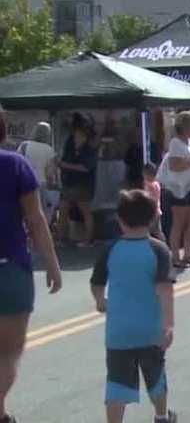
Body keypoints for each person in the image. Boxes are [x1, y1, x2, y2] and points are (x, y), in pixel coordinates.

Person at [90, 190, 177, 423]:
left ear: (119, 219)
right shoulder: (159, 250)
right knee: (156, 377)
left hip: (118, 332)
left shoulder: (111, 248)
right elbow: (165, 289)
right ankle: (161, 416)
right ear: (152, 219)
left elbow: (97, 282)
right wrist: (168, 325)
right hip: (150, 330)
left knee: (117, 382)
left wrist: (100, 301)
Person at [0, 105, 63, 423]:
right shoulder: (14, 165)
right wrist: (52, 262)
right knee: (8, 352)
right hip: (9, 268)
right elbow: (36, 220)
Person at [158, 111, 190, 268]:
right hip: (179, 187)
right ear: (185, 126)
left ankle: (188, 254)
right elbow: (174, 166)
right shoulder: (175, 143)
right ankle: (175, 256)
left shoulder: (189, 142)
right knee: (179, 223)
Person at [57, 124, 97, 247]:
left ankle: (88, 240)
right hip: (68, 183)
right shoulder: (70, 149)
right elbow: (63, 161)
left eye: (79, 136)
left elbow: (86, 168)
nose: (76, 138)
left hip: (82, 185)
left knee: (85, 212)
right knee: (62, 211)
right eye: (75, 136)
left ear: (85, 137)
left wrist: (65, 165)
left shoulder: (88, 151)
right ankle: (62, 238)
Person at [17, 122, 57, 221]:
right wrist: (52, 185)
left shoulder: (24, 145)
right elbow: (50, 173)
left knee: (23, 212)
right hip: (41, 185)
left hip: (24, 182)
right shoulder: (49, 150)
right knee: (38, 213)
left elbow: (18, 164)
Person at [142, 163, 166, 243]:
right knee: (158, 231)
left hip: (151, 212)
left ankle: (150, 246)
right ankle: (164, 244)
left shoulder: (149, 185)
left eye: (145, 174)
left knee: (147, 231)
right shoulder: (156, 183)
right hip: (157, 211)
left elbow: (147, 197)